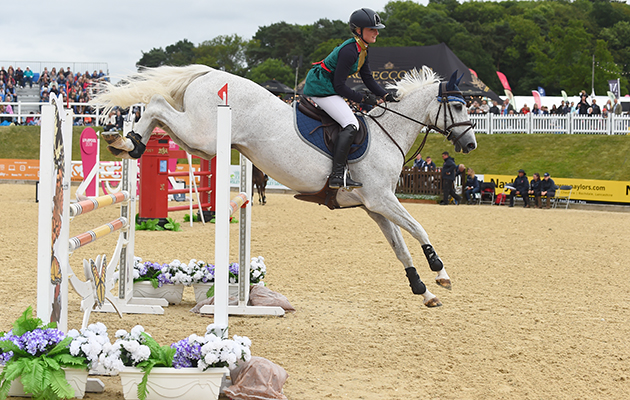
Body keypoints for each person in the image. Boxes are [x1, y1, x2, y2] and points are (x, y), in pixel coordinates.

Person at [303, 8, 395, 190]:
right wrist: (362, 98)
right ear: (359, 30)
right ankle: (337, 175)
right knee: (351, 123)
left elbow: (367, 78)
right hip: (321, 87)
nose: (377, 32)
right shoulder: (349, 51)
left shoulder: (363, 49)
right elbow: (339, 86)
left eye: (377, 29)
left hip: (329, 87)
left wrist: (385, 94)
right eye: (372, 29)